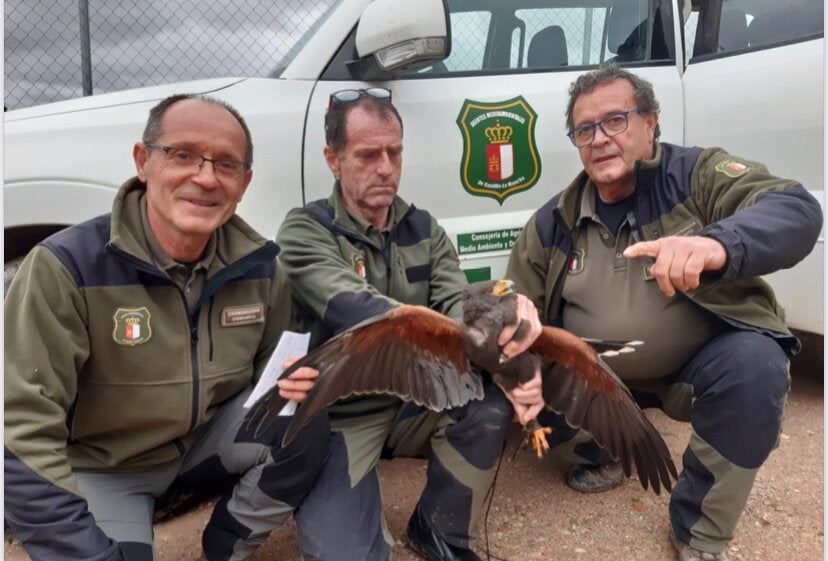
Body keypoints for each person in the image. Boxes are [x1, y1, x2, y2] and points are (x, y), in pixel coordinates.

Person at [506, 65, 822, 561]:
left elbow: (796, 209)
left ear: (651, 122)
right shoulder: (553, 220)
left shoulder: (697, 175)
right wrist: (512, 321)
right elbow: (517, 301)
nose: (599, 139)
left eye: (615, 120)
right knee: (524, 365)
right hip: (597, 387)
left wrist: (716, 245)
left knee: (756, 367)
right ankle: (604, 449)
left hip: (692, 371)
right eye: (584, 129)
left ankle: (698, 532)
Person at [4, 94, 331, 561]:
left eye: (226, 164)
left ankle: (224, 547)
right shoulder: (65, 268)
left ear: (244, 183)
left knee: (303, 418)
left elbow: (270, 383)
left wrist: (293, 381)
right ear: (143, 161)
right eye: (182, 155)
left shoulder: (260, 268)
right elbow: (20, 433)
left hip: (198, 448)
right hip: (106, 469)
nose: (205, 176)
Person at [275, 88, 545, 561]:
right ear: (333, 159)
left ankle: (439, 529)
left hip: (415, 395)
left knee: (485, 407)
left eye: (394, 152)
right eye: (367, 154)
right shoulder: (305, 230)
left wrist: (503, 317)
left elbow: (458, 308)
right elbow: (353, 308)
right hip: (343, 411)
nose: (385, 167)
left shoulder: (425, 230)